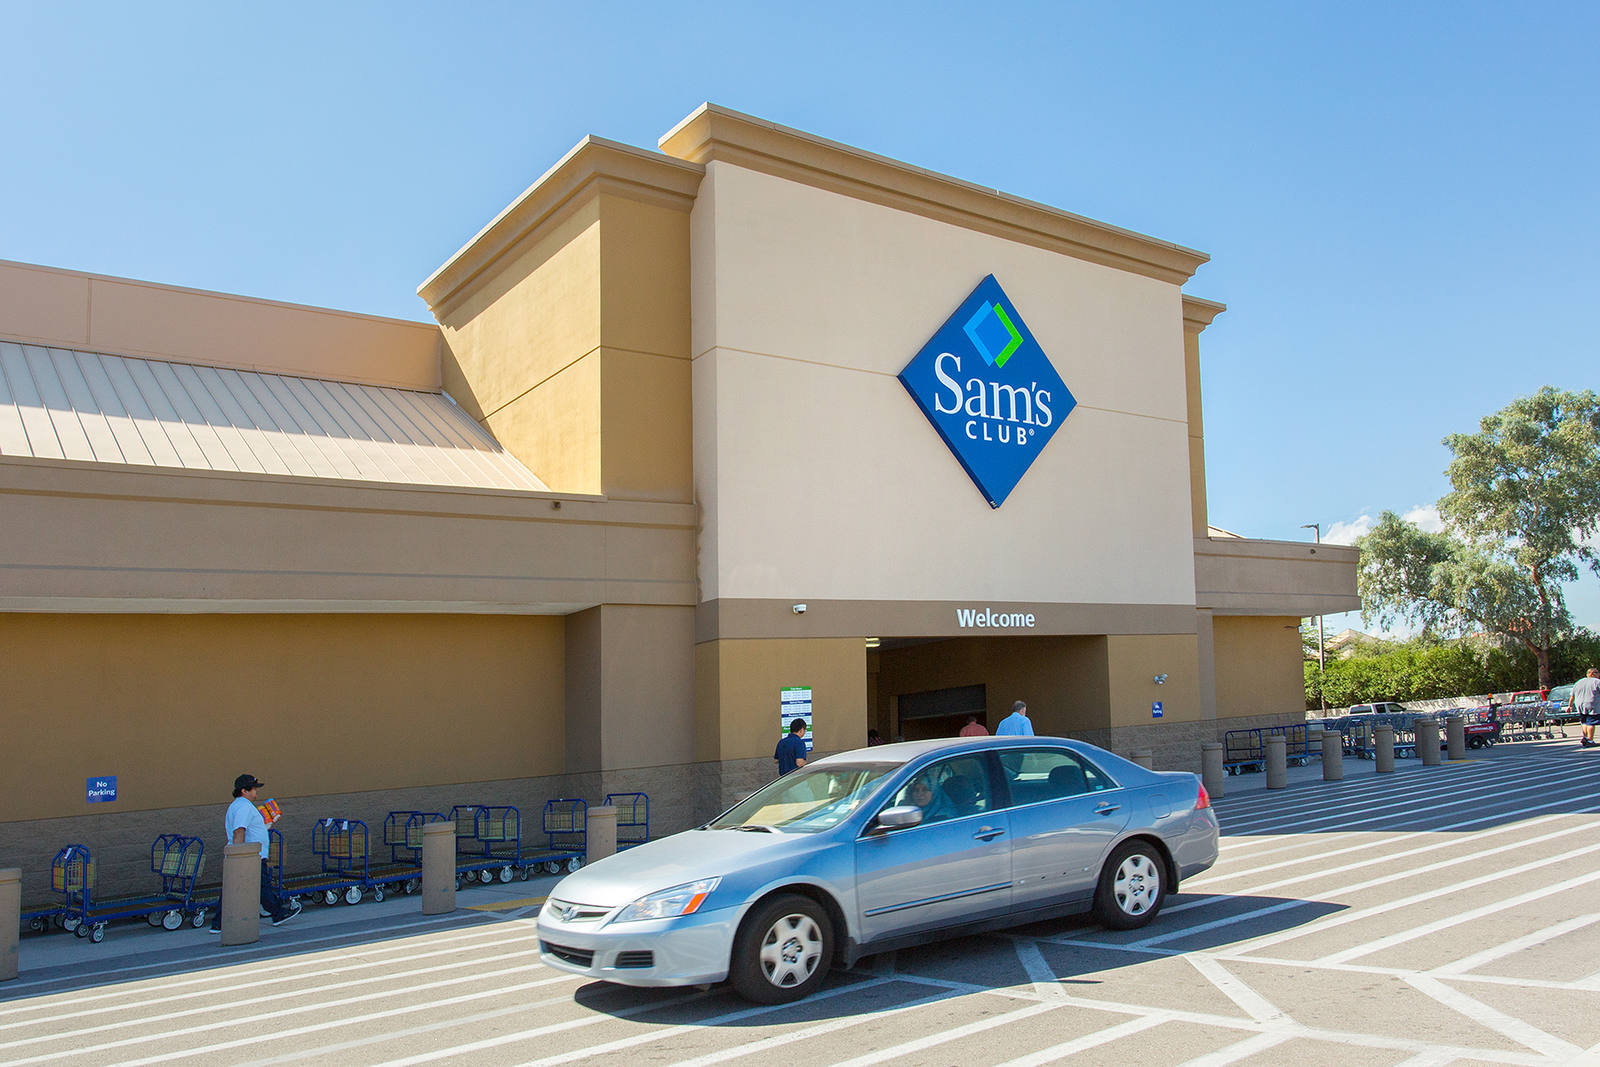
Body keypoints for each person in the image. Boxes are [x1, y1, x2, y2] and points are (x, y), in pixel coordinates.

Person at [213, 773, 300, 930]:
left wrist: (266, 827)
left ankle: (218, 923)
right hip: (250, 856)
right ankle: (278, 913)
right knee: (262, 886)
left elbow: (249, 830)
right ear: (244, 791)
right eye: (253, 789)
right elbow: (239, 831)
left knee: (232, 890)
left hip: (248, 855)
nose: (256, 793)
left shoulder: (239, 806)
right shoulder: (243, 807)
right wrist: (239, 856)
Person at [1572, 668, 1600, 747]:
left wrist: (1570, 705)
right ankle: (1590, 740)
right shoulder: (1597, 682)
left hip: (1580, 705)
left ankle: (1585, 737)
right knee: (1591, 722)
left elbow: (1572, 695)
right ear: (1592, 674)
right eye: (1597, 673)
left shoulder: (1579, 682)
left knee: (1584, 721)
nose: (1599, 674)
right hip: (1592, 704)